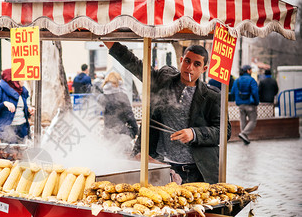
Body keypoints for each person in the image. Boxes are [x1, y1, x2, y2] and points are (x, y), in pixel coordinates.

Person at [105, 42, 231, 184]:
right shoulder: (163, 80)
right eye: (187, 61)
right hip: (161, 166)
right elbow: (134, 64)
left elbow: (224, 131)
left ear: (204, 69)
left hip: (197, 170)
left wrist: (194, 134)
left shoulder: (212, 96)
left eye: (197, 64)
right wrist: (110, 43)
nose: (190, 68)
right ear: (181, 60)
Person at [0, 69, 33, 144]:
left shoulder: (22, 91)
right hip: (8, 130)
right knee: (9, 153)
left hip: (22, 128)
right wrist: (4, 104)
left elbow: (22, 108)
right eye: (21, 78)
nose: (24, 80)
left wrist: (29, 110)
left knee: (21, 154)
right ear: (12, 79)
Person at [98, 72, 138, 153]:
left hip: (108, 133)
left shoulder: (102, 97)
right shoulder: (122, 96)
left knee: (112, 158)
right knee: (123, 158)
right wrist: (135, 130)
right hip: (122, 133)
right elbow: (129, 115)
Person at [230, 65, 260, 145]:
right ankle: (244, 134)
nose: (251, 71)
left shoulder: (237, 80)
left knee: (242, 121)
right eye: (250, 70)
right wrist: (256, 102)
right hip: (250, 104)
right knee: (253, 120)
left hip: (240, 105)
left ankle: (244, 137)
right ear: (247, 71)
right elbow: (255, 92)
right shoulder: (252, 80)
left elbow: (232, 92)